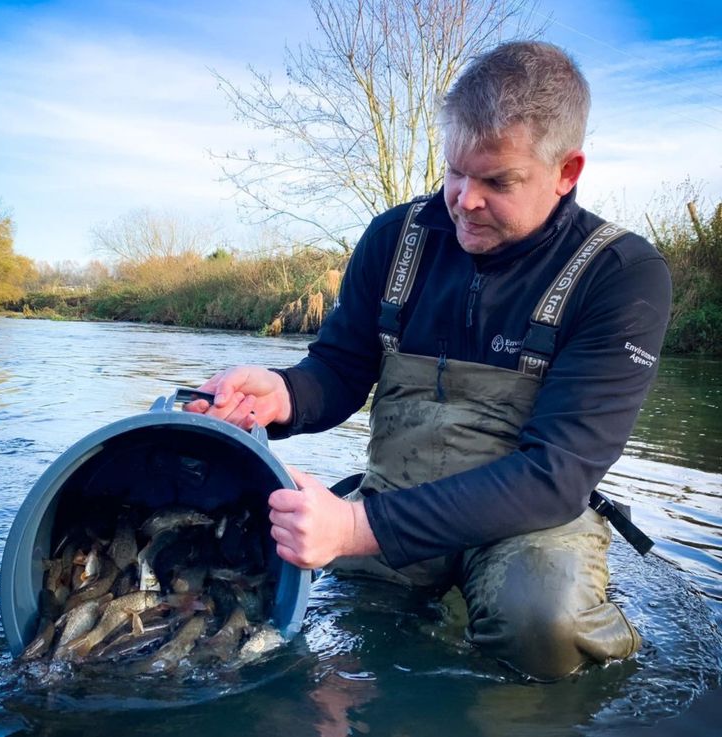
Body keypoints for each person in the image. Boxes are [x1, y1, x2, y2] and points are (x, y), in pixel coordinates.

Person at [186, 41, 672, 681]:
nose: (466, 200)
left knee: (542, 626)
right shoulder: (395, 239)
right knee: (248, 584)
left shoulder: (623, 275)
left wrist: (356, 527)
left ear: (567, 171)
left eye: (498, 181)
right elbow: (336, 370)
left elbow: (556, 473)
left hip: (531, 523)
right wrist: (281, 394)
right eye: (454, 172)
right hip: (396, 496)